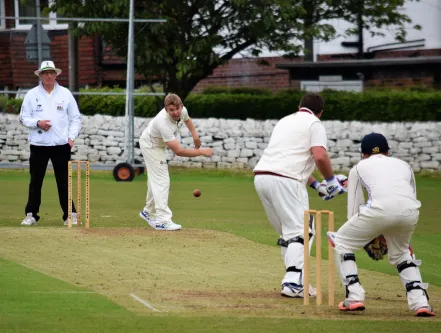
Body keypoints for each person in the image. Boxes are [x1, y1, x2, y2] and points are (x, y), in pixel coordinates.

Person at [327, 133, 435, 317]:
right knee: (401, 252)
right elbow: (409, 198)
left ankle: (354, 296)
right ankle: (420, 302)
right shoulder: (404, 165)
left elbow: (354, 211)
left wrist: (368, 234)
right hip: (410, 212)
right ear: (388, 152)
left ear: (363, 154)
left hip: (378, 211)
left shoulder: (359, 167)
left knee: (342, 240)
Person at [253, 92, 346, 298]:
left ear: (299, 106)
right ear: (320, 113)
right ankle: (293, 281)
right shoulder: (315, 124)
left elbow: (290, 159)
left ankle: (298, 280)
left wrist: (318, 187)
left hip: (262, 177)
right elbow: (320, 155)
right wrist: (331, 181)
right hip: (287, 181)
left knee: (290, 233)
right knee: (301, 230)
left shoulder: (285, 121)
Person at [19, 60, 82, 226]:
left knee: (64, 181)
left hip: (61, 145)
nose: (48, 75)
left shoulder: (65, 94)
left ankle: (70, 214)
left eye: (51, 72)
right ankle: (31, 214)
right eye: (45, 73)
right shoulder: (32, 94)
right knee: (36, 181)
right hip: (39, 144)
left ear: (56, 74)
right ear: (40, 75)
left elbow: (75, 118)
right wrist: (37, 123)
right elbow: (23, 117)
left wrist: (71, 138)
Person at [138, 93, 212, 231]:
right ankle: (162, 220)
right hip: (151, 145)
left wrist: (195, 136)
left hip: (157, 144)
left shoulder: (182, 111)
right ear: (166, 109)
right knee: (162, 180)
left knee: (155, 179)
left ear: (181, 106)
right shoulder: (163, 122)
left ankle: (148, 212)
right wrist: (201, 151)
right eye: (171, 110)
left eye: (177, 109)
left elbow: (187, 119)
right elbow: (178, 151)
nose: (175, 112)